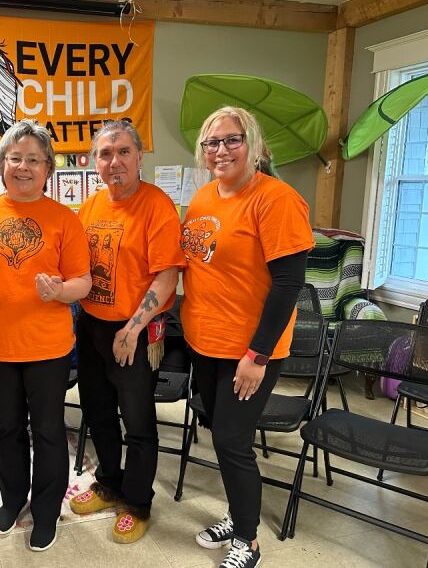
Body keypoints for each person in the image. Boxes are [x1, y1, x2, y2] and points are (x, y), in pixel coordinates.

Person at [180, 106, 313, 568]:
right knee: (220, 435)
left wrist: (256, 355)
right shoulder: (202, 199)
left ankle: (249, 539)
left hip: (249, 350)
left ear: (253, 145)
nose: (221, 150)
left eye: (232, 140)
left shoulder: (276, 199)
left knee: (232, 442)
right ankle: (238, 517)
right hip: (206, 343)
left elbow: (288, 284)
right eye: (212, 143)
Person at [0, 120, 92, 552]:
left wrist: (60, 291)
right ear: (0, 164)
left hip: (48, 347)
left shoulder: (64, 219)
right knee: (10, 427)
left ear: (48, 168)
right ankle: (13, 499)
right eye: (15, 158)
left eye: (34, 159)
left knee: (49, 430)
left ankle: (47, 509)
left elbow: (83, 282)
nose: (24, 166)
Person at [70, 120, 185, 544]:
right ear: (93, 161)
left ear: (139, 157)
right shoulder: (91, 206)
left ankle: (137, 502)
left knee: (136, 421)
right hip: (92, 325)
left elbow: (167, 276)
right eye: (104, 153)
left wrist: (132, 328)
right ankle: (109, 482)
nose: (113, 161)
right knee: (98, 412)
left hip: (136, 331)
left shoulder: (157, 206)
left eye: (122, 152)